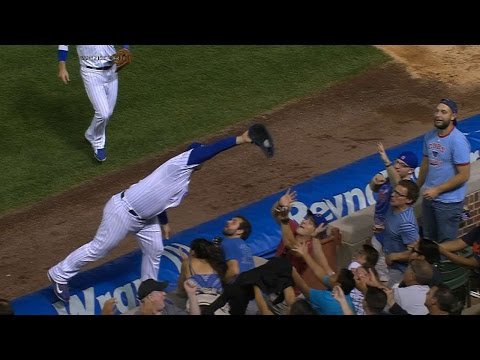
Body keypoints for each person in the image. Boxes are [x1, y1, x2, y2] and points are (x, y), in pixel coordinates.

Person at [47, 125, 272, 302]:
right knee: (99, 248)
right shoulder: (178, 164)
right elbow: (210, 150)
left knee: (155, 250)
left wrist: (164, 222)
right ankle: (60, 273)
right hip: (122, 211)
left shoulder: (183, 182)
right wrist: (240, 139)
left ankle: (149, 291)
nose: (201, 157)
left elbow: (160, 202)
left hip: (146, 219)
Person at [57, 45, 131, 162]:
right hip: (91, 73)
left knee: (109, 112)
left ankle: (91, 133)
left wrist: (126, 48)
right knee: (103, 113)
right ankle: (98, 143)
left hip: (112, 70)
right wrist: (62, 66)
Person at [417, 98, 471, 243]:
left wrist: (438, 190)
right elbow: (425, 164)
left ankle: (444, 266)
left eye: (443, 112)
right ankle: (432, 266)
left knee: (446, 244)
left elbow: (464, 175)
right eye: (437, 111)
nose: (438, 115)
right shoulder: (429, 136)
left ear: (453, 116)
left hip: (449, 203)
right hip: (429, 198)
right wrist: (417, 187)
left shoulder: (458, 141)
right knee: (428, 241)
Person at [369, 142, 418, 283]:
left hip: (394, 255)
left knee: (385, 278)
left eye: (402, 165)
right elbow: (377, 189)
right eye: (397, 163)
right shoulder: (393, 183)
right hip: (383, 232)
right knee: (377, 270)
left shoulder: (406, 187)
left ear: (411, 170)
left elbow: (413, 251)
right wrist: (376, 183)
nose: (397, 166)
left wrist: (386, 161)